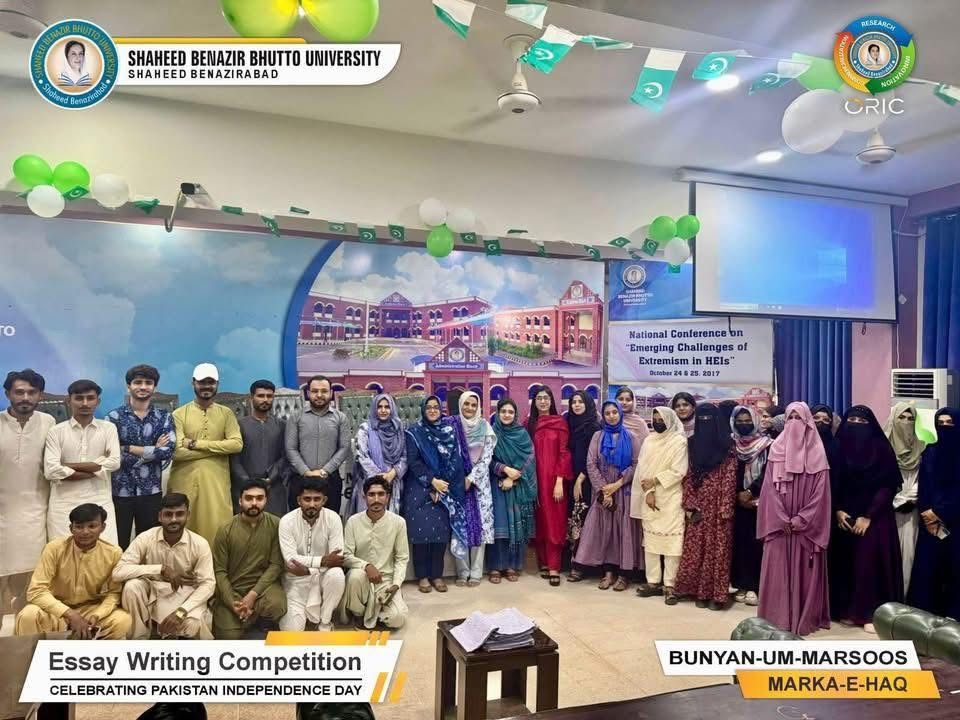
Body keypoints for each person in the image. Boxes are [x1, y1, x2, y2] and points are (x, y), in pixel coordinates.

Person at [756, 403, 832, 636]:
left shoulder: (818, 454)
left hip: (804, 529)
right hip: (780, 528)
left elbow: (821, 495)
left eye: (799, 419)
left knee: (805, 571)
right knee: (777, 570)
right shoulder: (775, 450)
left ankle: (803, 617)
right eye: (790, 418)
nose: (794, 423)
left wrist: (800, 520)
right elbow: (768, 490)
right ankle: (776, 618)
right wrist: (781, 519)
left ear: (808, 423)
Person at [829, 405, 903, 632]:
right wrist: (837, 510)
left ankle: (870, 613)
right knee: (844, 562)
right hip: (843, 516)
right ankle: (845, 610)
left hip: (875, 517)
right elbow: (830, 483)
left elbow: (887, 486)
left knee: (869, 564)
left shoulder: (881, 449)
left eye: (863, 422)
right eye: (852, 421)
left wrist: (868, 516)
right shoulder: (837, 448)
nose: (857, 426)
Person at [15, 503, 131, 638]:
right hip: (56, 610)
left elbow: (114, 593)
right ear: (71, 528)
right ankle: (39, 652)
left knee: (122, 620)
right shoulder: (54, 548)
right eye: (79, 527)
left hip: (90, 610)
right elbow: (36, 591)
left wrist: (97, 615)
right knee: (28, 616)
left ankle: (88, 649)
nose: (85, 532)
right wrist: (70, 614)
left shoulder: (113, 553)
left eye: (92, 526)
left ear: (102, 527)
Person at [112, 492, 215, 639]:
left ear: (188, 515)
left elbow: (208, 584)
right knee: (132, 587)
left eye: (179, 514)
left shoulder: (199, 544)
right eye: (168, 514)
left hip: (184, 595)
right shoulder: (146, 538)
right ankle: (138, 639)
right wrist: (160, 569)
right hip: (153, 593)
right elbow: (118, 572)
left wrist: (181, 612)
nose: (174, 519)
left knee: (192, 625)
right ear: (160, 516)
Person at [169, 364, 243, 545]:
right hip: (185, 483)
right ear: (193, 383)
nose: (206, 386)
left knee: (218, 532)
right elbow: (177, 452)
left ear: (217, 384)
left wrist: (196, 444)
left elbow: (236, 444)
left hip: (217, 484)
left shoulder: (226, 414)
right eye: (202, 382)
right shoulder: (179, 414)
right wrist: (217, 450)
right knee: (184, 532)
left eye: (211, 382)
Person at [573, 401, 642, 591]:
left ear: (620, 414)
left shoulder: (632, 437)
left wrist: (617, 485)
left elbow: (636, 464)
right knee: (605, 531)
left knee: (623, 531)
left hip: (623, 490)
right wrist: (604, 490)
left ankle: (623, 574)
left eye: (614, 412)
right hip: (602, 491)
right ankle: (608, 572)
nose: (611, 416)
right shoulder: (598, 436)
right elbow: (591, 463)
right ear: (603, 416)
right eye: (607, 413)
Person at [1, 369, 56, 609]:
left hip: (36, 513)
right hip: (3, 513)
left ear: (40, 395)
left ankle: (26, 625)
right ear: (8, 394)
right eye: (19, 392)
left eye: (32, 392)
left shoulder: (49, 423)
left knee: (34, 579)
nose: (25, 397)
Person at [675, 403, 737, 610]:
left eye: (709, 418)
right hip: (699, 504)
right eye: (701, 419)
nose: (705, 422)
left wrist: (725, 506)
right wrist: (690, 503)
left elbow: (730, 477)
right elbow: (687, 474)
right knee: (695, 550)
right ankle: (696, 591)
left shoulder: (727, 444)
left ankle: (716, 596)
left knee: (718, 552)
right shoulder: (692, 443)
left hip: (719, 505)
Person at [45, 379, 121, 545]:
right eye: (79, 398)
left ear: (98, 401)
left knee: (105, 554)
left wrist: (66, 466)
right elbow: (51, 471)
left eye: (90, 398)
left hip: (100, 501)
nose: (85, 403)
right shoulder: (56, 431)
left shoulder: (108, 428)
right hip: (63, 504)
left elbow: (115, 463)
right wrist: (97, 467)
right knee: (63, 554)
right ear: (69, 400)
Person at [108, 364, 176, 549]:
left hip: (151, 492)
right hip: (121, 491)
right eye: (138, 382)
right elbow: (114, 456)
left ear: (154, 387)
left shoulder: (164, 417)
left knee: (149, 544)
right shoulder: (114, 417)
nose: (143, 387)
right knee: (118, 544)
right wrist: (153, 449)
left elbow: (167, 451)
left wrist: (128, 447)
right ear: (128, 386)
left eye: (148, 383)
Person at [403, 396, 464, 593]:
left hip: (444, 486)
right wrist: (431, 482)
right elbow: (413, 462)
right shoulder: (414, 432)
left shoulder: (449, 431)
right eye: (428, 407)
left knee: (439, 534)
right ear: (423, 410)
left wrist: (441, 485)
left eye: (436, 407)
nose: (432, 410)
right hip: (419, 486)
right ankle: (422, 576)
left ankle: (437, 575)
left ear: (441, 409)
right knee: (421, 533)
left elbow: (454, 459)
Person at [211, 479, 286, 639]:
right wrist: (233, 603)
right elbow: (220, 571)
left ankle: (259, 618)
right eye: (249, 498)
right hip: (234, 589)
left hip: (263, 589)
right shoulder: (225, 529)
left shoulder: (276, 525)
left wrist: (252, 595)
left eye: (259, 498)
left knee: (276, 605)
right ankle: (245, 615)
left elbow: (276, 565)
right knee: (227, 636)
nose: (254, 503)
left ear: (266, 500)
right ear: (240, 501)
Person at [907, 408, 960, 619]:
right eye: (941, 423)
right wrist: (927, 513)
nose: (945, 426)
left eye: (950, 423)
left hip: (955, 521)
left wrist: (940, 512)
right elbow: (924, 485)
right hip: (929, 522)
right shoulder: (930, 451)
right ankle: (925, 616)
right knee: (928, 569)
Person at [633, 407, 689, 605]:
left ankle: (670, 585)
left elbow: (679, 471)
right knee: (651, 542)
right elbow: (642, 469)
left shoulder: (679, 441)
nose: (658, 422)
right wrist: (649, 492)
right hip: (649, 496)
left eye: (661, 419)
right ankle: (653, 582)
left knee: (673, 542)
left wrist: (655, 481)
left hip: (671, 496)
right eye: (655, 419)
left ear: (670, 420)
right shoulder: (649, 441)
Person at [340, 476, 410, 629]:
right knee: (355, 576)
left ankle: (377, 613)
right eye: (371, 495)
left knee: (398, 619)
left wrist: (396, 584)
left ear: (388, 497)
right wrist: (366, 566)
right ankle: (358, 614)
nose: (376, 499)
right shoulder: (353, 521)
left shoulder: (398, 522)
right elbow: (346, 556)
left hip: (386, 581)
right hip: (362, 577)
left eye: (381, 494)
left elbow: (402, 558)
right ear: (364, 497)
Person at [278, 479, 346, 632]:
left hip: (322, 578)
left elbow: (337, 558)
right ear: (299, 500)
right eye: (307, 499)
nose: (312, 504)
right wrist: (323, 560)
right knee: (291, 631)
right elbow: (290, 558)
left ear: (324, 500)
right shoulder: (287, 521)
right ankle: (304, 614)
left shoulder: (333, 518)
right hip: (295, 581)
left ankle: (325, 621)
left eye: (317, 499)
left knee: (337, 575)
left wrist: (309, 569)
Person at [487, 398, 537, 583]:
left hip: (517, 485)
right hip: (496, 484)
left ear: (515, 414)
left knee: (516, 525)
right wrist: (504, 469)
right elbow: (486, 459)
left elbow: (530, 458)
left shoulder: (522, 434)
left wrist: (512, 478)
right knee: (499, 525)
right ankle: (495, 566)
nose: (507, 415)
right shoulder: (491, 433)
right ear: (498, 413)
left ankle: (511, 565)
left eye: (510, 412)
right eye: (503, 411)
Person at [528, 385, 573, 586]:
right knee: (540, 522)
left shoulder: (559, 423)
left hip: (554, 481)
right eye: (539, 398)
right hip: (534, 480)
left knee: (554, 522)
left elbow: (564, 453)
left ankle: (554, 566)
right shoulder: (529, 424)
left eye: (546, 398)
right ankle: (544, 563)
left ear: (551, 401)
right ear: (534, 402)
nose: (543, 401)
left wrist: (560, 481)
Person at [286, 375, 350, 515]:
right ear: (308, 393)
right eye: (315, 391)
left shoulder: (341, 418)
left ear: (331, 393)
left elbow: (344, 448)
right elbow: (290, 448)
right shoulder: (296, 417)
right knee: (298, 522)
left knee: (329, 521)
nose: (319, 395)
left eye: (324, 391)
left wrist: (325, 471)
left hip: (330, 480)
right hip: (300, 479)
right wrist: (306, 472)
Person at [729, 405, 773, 606]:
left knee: (757, 544)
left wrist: (751, 491)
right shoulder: (730, 444)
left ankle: (755, 586)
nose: (744, 424)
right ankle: (740, 584)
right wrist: (738, 493)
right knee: (738, 543)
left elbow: (770, 471)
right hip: (736, 501)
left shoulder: (768, 444)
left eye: (748, 420)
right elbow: (727, 471)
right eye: (739, 421)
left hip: (760, 500)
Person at [452, 391, 496, 587]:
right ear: (460, 404)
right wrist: (459, 477)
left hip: (479, 484)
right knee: (459, 526)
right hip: (457, 482)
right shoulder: (452, 425)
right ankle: (462, 571)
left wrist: (471, 477)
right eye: (466, 404)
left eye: (473, 405)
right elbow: (448, 453)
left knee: (480, 526)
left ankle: (476, 572)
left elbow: (487, 457)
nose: (469, 408)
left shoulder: (485, 426)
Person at [884, 401, 925, 595]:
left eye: (911, 418)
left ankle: (904, 599)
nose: (906, 422)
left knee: (909, 554)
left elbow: (925, 479)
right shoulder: (882, 447)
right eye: (901, 417)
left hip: (911, 511)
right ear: (893, 419)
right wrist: (896, 500)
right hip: (885, 510)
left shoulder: (922, 448)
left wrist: (910, 498)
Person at [231, 380, 288, 516]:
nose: (265, 400)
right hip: (244, 487)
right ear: (251, 397)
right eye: (261, 396)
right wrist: (247, 482)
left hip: (273, 487)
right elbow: (234, 459)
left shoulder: (281, 425)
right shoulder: (238, 425)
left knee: (275, 525)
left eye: (269, 396)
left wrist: (270, 478)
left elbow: (285, 456)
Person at [350, 393, 406, 515]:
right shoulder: (365, 428)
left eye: (387, 407)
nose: (383, 410)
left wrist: (392, 473)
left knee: (391, 520)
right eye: (379, 407)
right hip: (370, 482)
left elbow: (405, 456)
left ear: (392, 408)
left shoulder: (399, 428)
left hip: (393, 481)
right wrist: (379, 477)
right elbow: (362, 456)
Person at [565, 390, 600, 582]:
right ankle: (573, 561)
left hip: (586, 481)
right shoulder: (570, 424)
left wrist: (581, 478)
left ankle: (582, 565)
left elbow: (594, 457)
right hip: (571, 479)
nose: (576, 405)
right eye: (573, 402)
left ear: (587, 404)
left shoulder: (594, 426)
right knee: (573, 520)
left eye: (580, 401)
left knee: (583, 520)